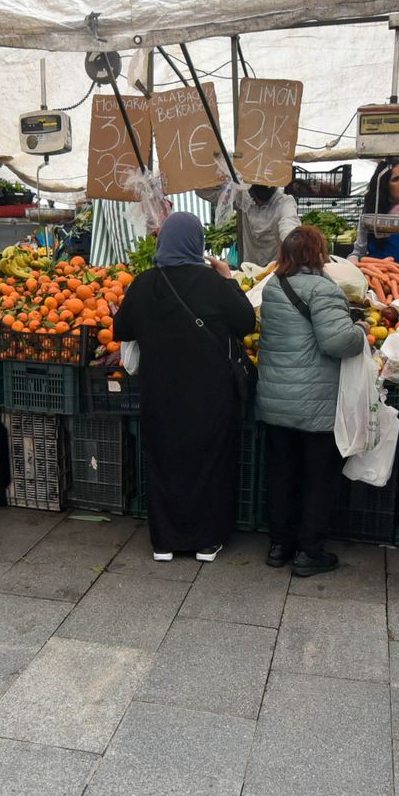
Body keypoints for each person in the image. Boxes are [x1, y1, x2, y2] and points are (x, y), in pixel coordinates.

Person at [114, 211, 255, 563]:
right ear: (197, 242)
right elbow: (245, 322)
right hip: (210, 393)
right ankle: (206, 541)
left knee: (164, 462)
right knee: (209, 462)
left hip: (160, 392)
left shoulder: (143, 284)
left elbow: (122, 329)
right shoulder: (212, 283)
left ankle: (164, 542)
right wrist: (229, 279)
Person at [255, 225, 367, 576]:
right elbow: (337, 342)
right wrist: (360, 331)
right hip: (315, 404)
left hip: (276, 401)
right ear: (318, 253)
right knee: (318, 478)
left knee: (282, 474)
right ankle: (309, 551)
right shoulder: (323, 289)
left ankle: (279, 545)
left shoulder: (273, 286)